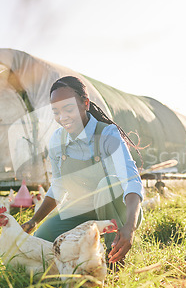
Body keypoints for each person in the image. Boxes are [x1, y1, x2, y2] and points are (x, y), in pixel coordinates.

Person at [21, 76, 143, 264]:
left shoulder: (107, 134)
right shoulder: (57, 140)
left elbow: (131, 180)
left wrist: (130, 226)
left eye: (68, 109)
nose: (62, 117)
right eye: (56, 111)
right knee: (42, 240)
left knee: (106, 183)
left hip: (119, 210)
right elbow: (58, 187)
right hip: (83, 210)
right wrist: (34, 221)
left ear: (85, 104)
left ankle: (114, 259)